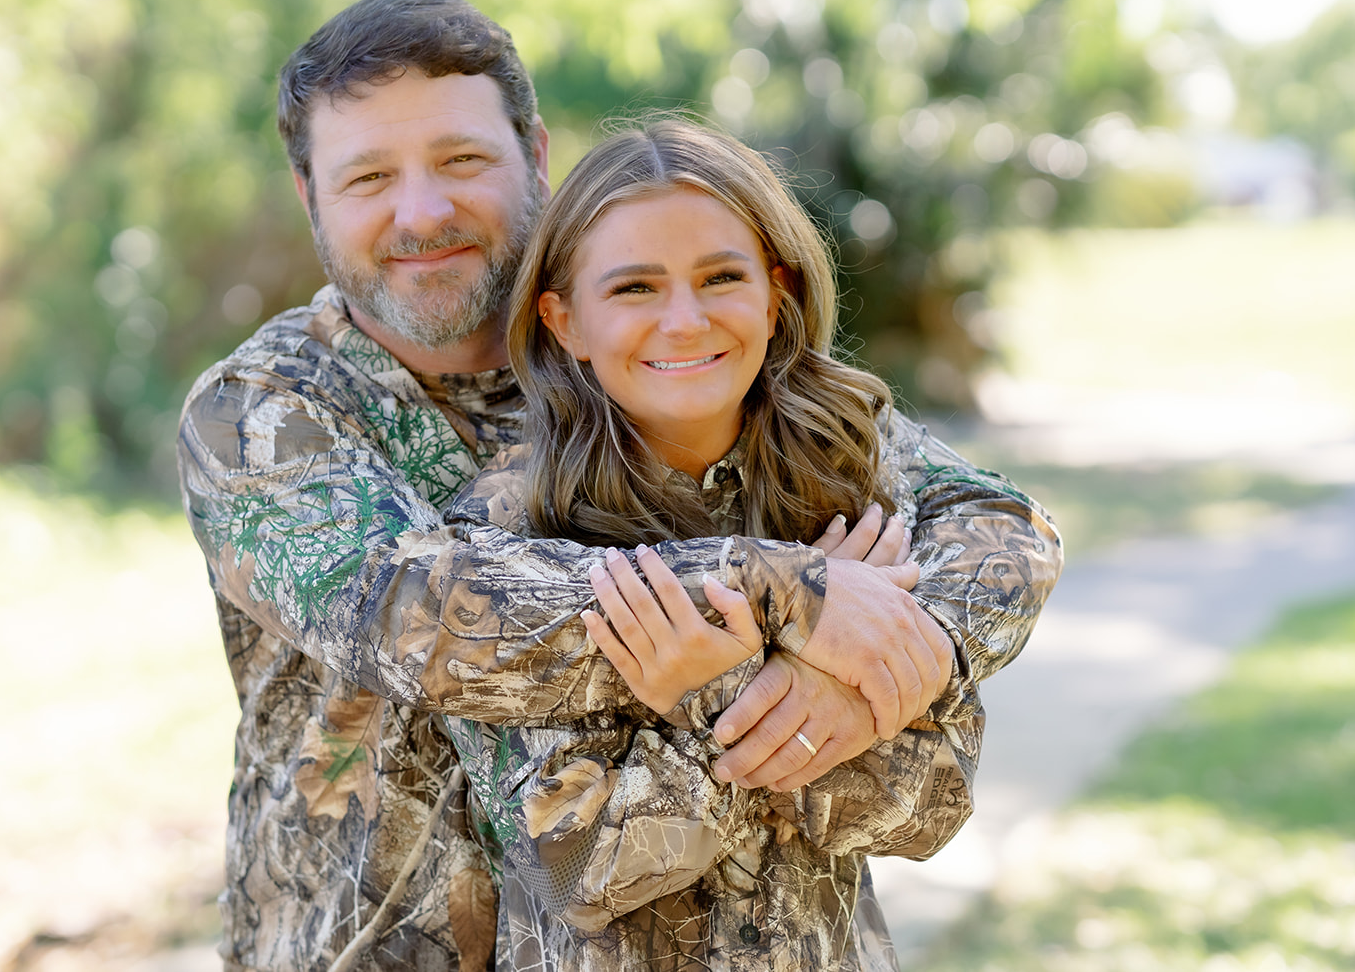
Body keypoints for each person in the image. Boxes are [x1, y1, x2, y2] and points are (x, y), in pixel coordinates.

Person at [176, 0, 1062, 972]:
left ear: (535, 156)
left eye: (462, 160)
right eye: (368, 176)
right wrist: (791, 597)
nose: (422, 210)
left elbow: (994, 529)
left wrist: (883, 670)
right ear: (310, 196)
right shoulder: (263, 411)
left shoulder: (649, 356)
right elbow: (423, 615)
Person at [443, 118, 1045, 970]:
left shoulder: (850, 473)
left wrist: (770, 686)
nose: (685, 321)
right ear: (564, 320)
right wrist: (747, 681)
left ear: (774, 293)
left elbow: (925, 807)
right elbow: (574, 870)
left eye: (720, 277)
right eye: (635, 289)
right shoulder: (501, 536)